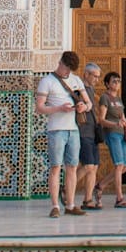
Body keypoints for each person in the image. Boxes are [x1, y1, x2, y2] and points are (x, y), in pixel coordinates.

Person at [34, 50, 89, 218]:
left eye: (70, 70)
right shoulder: (47, 81)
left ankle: (71, 204)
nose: (68, 73)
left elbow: (89, 104)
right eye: (67, 69)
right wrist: (59, 108)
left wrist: (82, 107)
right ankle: (55, 206)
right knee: (56, 167)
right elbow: (39, 108)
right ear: (61, 63)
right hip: (56, 129)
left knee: (72, 167)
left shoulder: (76, 80)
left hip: (73, 129)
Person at [96, 71, 126, 208]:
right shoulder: (104, 98)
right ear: (107, 84)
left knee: (125, 166)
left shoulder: (118, 99)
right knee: (118, 165)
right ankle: (119, 198)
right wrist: (114, 124)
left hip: (122, 134)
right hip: (112, 134)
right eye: (114, 81)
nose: (117, 84)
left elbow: (123, 118)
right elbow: (101, 119)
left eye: (118, 81)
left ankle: (101, 185)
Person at [76, 61, 104, 211]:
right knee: (87, 166)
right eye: (95, 76)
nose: (97, 79)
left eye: (98, 77)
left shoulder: (91, 90)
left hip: (92, 132)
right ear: (86, 74)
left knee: (93, 166)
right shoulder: (79, 90)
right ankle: (66, 190)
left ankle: (87, 200)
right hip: (83, 132)